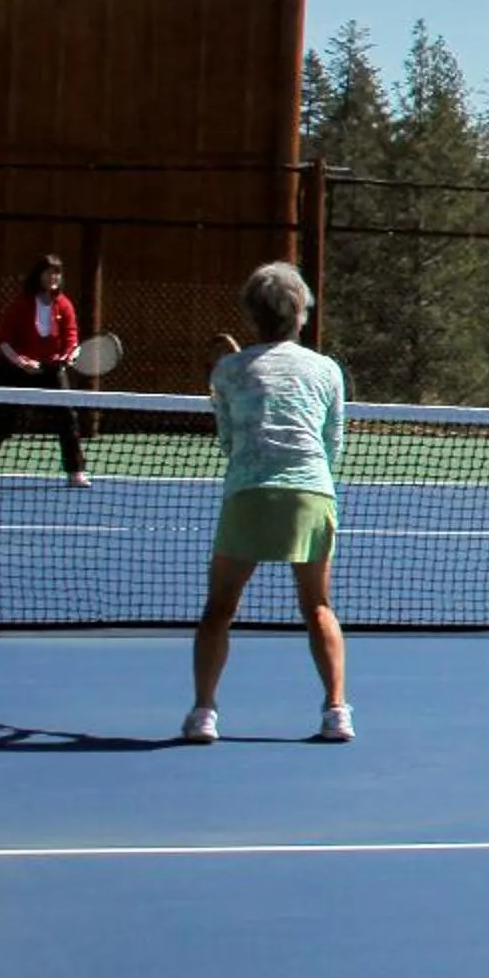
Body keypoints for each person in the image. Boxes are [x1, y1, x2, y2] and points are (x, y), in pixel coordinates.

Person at [184, 263, 351, 745]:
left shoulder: (229, 371)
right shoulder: (326, 370)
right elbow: (331, 443)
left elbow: (230, 443)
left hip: (249, 494)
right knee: (318, 606)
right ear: (299, 312)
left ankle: (203, 713)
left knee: (219, 609)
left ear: (251, 315)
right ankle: (336, 711)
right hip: (310, 494)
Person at [0, 254, 89, 488]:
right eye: (49, 272)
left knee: (67, 418)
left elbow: (71, 338)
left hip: (51, 370)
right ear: (38, 275)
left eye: (57, 273)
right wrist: (22, 362)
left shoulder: (64, 305)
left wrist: (70, 354)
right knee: (1, 420)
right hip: (16, 372)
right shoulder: (20, 304)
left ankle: (76, 472)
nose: (54, 277)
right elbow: (3, 340)